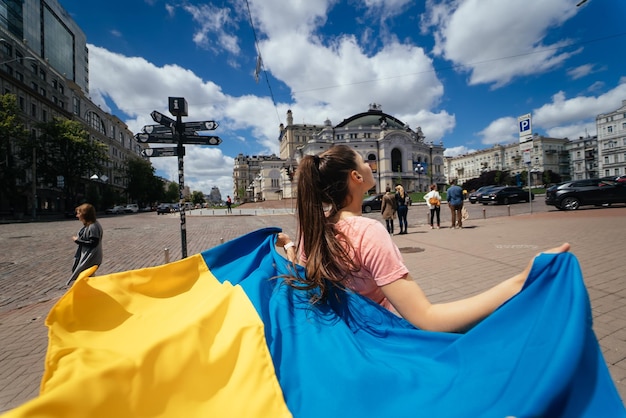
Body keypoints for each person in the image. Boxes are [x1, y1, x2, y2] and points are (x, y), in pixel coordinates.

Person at [275, 144, 570, 332]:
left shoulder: (314, 232)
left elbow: (304, 275)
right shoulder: (367, 231)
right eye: (365, 161)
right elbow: (426, 318)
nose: (370, 165)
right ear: (356, 177)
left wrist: (289, 245)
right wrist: (521, 281)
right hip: (380, 342)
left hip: (342, 344)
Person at [67, 203, 103, 286]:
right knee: (87, 277)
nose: (77, 215)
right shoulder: (90, 225)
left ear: (84, 214)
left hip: (90, 257)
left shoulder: (93, 227)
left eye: (79, 213)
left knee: (85, 276)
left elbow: (93, 243)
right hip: (88, 256)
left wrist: (77, 240)